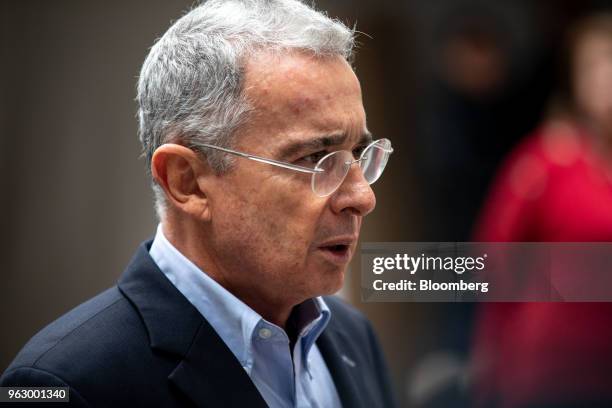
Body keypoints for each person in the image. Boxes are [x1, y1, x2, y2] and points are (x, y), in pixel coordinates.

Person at [0, 1, 396, 407]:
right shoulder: (64, 383)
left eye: (360, 155)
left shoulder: (350, 337)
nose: (362, 197)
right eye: (315, 159)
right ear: (186, 181)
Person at [471, 12, 612, 408]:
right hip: (554, 373)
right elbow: (493, 262)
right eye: (595, 65)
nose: (606, 78)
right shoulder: (546, 161)